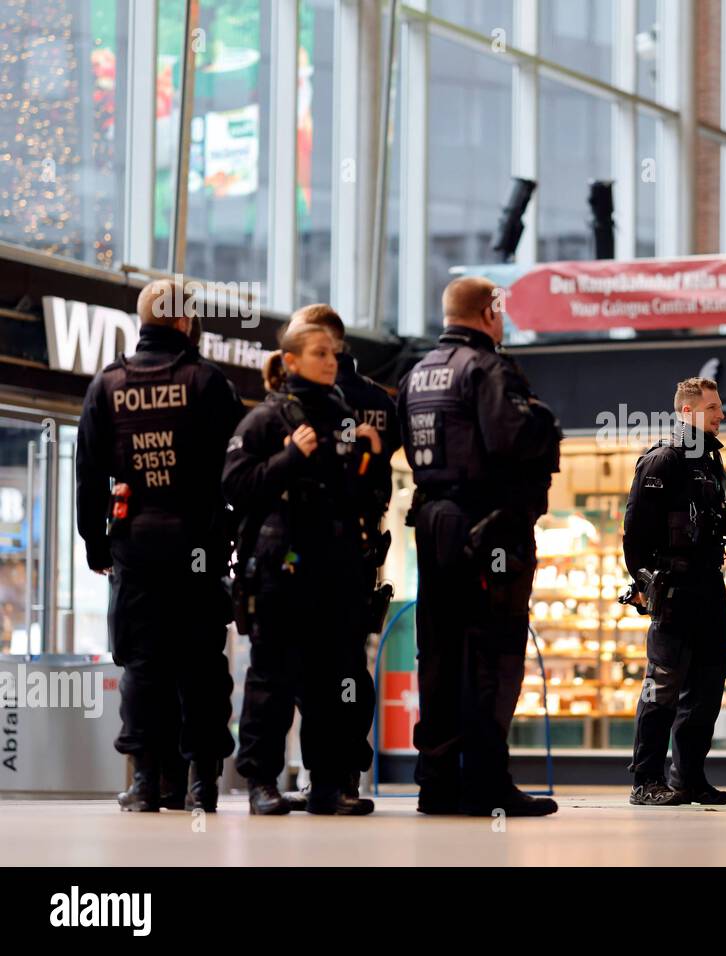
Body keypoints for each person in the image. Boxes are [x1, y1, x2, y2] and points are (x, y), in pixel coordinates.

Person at [75, 278, 245, 812]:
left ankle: (146, 780)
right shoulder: (208, 382)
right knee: (199, 663)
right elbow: (237, 471)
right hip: (197, 545)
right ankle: (201, 782)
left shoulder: (108, 385)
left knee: (143, 665)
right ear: (183, 321)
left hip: (136, 546)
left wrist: (96, 544)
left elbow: (87, 473)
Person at [399, 276, 562, 817]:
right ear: (490, 313)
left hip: (433, 525)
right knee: (493, 654)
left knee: (440, 657)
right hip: (489, 530)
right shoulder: (489, 369)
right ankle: (488, 783)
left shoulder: (417, 374)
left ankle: (438, 782)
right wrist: (544, 422)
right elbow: (513, 439)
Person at [223, 321, 386, 815]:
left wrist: (371, 459)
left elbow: (366, 497)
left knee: (334, 682)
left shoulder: (343, 416)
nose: (330, 361)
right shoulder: (267, 419)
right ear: (291, 361)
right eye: (319, 353)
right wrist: (290, 457)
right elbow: (235, 486)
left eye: (333, 353)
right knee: (271, 680)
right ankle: (261, 783)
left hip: (337, 572)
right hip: (280, 570)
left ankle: (328, 784)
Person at [274, 306, 398, 810]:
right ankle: (344, 769)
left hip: (306, 550)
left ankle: (320, 772)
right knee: (349, 668)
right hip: (360, 547)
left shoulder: (307, 404)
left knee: (306, 669)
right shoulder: (377, 401)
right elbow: (384, 472)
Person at [624, 377, 726, 806]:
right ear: (688, 413)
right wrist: (649, 583)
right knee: (662, 687)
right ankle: (646, 781)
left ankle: (688, 778)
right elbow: (635, 537)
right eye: (713, 409)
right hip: (674, 589)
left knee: (708, 685)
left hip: (709, 586)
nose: (721, 415)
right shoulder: (662, 461)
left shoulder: (710, 462)